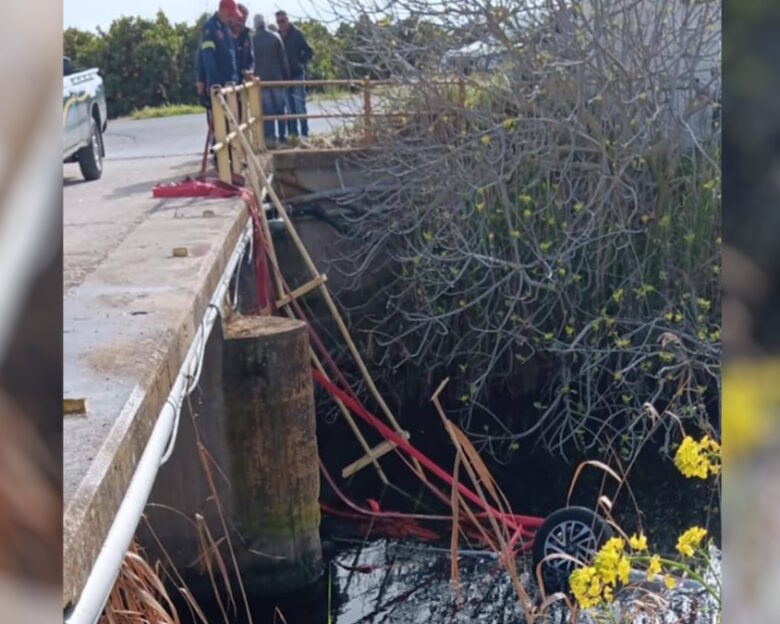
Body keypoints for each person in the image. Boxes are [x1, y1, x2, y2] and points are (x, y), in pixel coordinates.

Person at [252, 14, 290, 146]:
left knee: (267, 111)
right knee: (280, 109)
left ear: (255, 25)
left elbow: (252, 62)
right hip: (277, 79)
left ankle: (270, 138)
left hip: (262, 81)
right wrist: (286, 78)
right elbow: (283, 59)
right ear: (265, 23)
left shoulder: (253, 40)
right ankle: (283, 137)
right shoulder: (276, 37)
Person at [275, 10, 313, 138]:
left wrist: (300, 61)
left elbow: (309, 51)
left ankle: (304, 134)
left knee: (300, 106)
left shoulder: (297, 34)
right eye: (278, 22)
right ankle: (293, 135)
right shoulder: (277, 35)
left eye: (282, 21)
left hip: (297, 74)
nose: (281, 24)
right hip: (284, 77)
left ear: (287, 20)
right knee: (290, 109)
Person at [231, 4, 254, 80]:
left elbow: (251, 59)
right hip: (225, 82)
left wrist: (250, 70)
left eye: (243, 21)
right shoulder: (222, 33)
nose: (240, 23)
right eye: (239, 19)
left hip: (242, 82)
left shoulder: (246, 35)